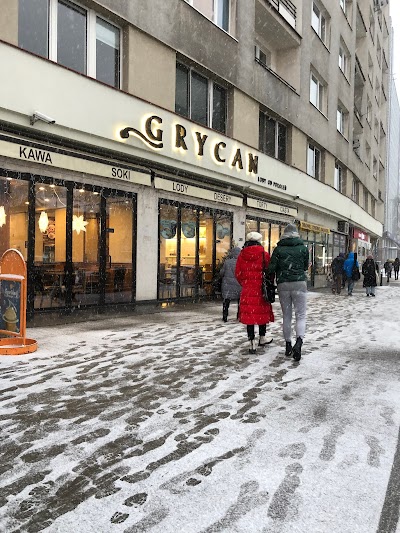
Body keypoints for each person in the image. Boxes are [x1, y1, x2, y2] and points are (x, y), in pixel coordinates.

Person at [267, 223, 308, 362]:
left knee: (287, 315)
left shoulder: (278, 249)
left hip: (283, 283)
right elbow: (305, 266)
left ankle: (288, 345)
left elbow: (271, 268)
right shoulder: (303, 248)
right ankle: (299, 342)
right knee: (300, 315)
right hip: (299, 282)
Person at [235, 232, 274, 354]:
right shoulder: (264, 254)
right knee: (262, 313)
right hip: (261, 290)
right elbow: (270, 272)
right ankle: (262, 337)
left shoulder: (242, 255)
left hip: (247, 290)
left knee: (249, 316)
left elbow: (238, 273)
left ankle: (251, 341)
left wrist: (245, 283)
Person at [219, 247, 242, 322]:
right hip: (238, 284)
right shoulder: (242, 262)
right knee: (240, 301)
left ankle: (225, 316)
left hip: (227, 284)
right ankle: (239, 316)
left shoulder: (227, 262)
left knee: (226, 301)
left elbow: (222, 272)